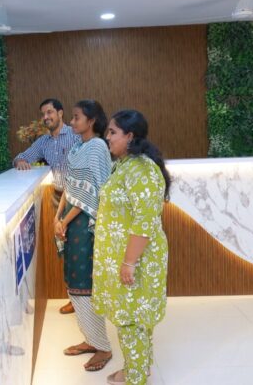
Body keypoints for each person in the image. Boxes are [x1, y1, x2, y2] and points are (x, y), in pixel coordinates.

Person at [92, 110, 171, 385]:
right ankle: (139, 367)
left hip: (136, 259)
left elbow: (145, 221)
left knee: (131, 319)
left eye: (112, 132)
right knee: (135, 317)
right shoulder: (124, 165)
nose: (107, 137)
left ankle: (134, 376)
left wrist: (129, 263)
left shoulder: (142, 169)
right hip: (125, 257)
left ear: (130, 136)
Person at [54, 99, 113, 372]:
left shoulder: (98, 147)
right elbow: (70, 186)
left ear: (91, 121)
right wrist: (57, 217)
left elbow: (92, 192)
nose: (71, 122)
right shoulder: (78, 147)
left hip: (85, 225)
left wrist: (64, 220)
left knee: (85, 285)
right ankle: (91, 339)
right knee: (74, 283)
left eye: (76, 117)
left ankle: (103, 347)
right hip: (70, 221)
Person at [14, 98, 80, 315]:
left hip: (80, 200)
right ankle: (75, 298)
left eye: (50, 112)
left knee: (81, 249)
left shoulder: (75, 135)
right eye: (43, 114)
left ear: (60, 113)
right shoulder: (44, 142)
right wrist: (20, 161)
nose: (46, 117)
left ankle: (86, 300)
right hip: (58, 199)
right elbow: (22, 157)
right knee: (66, 249)